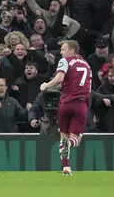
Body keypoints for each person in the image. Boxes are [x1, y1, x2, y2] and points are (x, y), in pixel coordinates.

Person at [40, 40, 91, 176]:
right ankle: (69, 151)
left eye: (63, 49)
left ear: (72, 51)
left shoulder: (65, 61)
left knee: (63, 138)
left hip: (66, 103)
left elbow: (59, 78)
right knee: (76, 141)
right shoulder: (87, 65)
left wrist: (46, 85)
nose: (61, 52)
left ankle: (66, 168)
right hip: (81, 104)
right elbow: (89, 88)